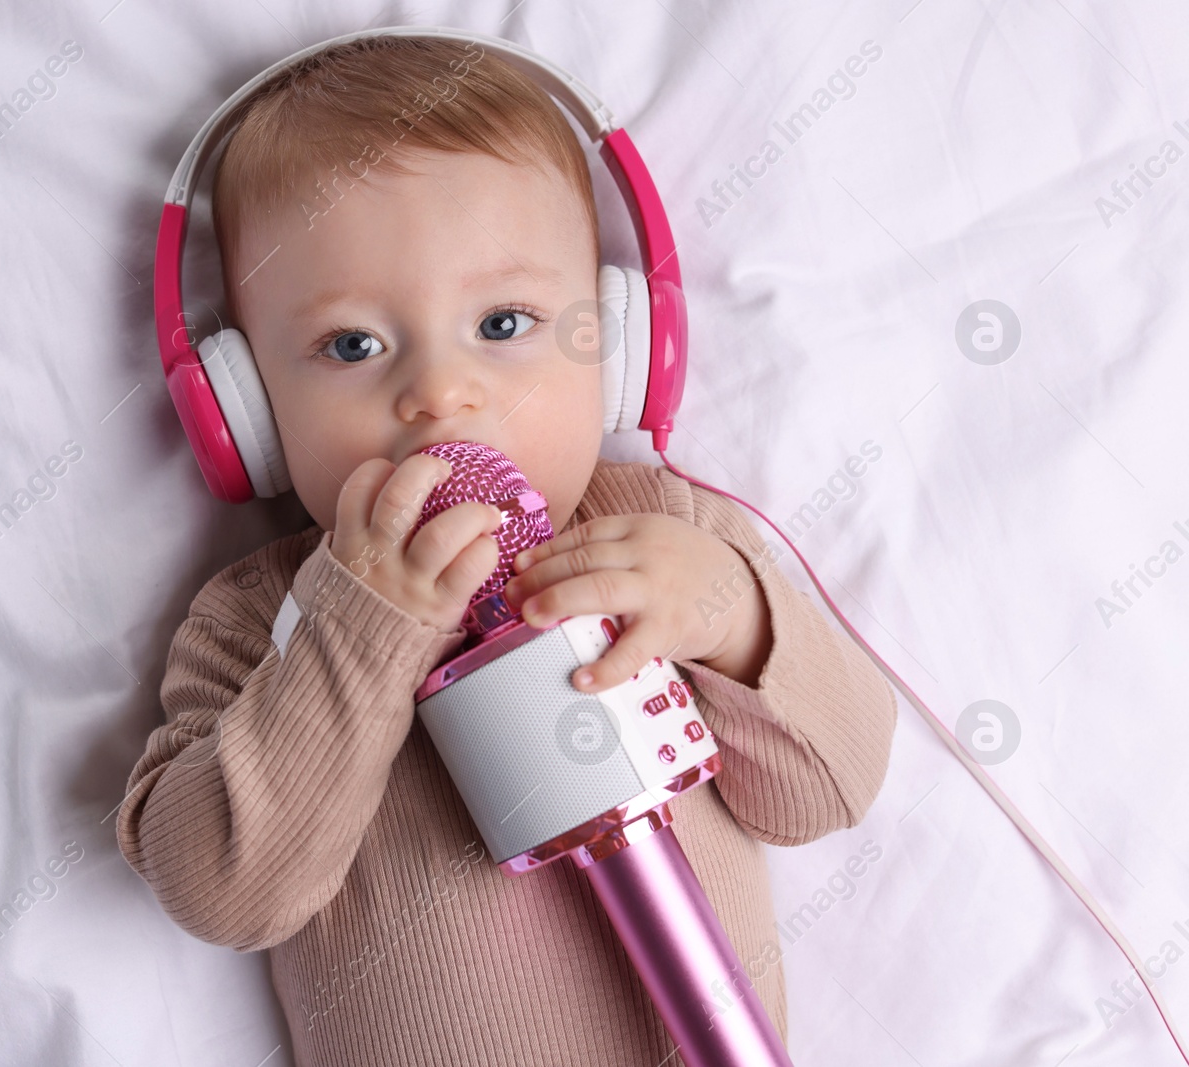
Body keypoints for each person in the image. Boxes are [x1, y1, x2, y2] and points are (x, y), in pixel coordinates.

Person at [118, 35, 896, 1066]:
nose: (440, 392)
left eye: (503, 321)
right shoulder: (261, 619)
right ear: (247, 411)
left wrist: (733, 617)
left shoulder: (667, 542)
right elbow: (222, 889)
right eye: (351, 345)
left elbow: (828, 787)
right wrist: (358, 627)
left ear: (619, 350)